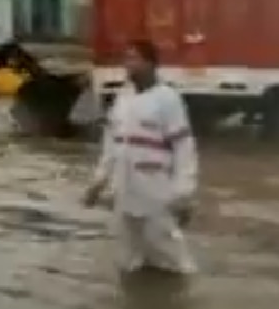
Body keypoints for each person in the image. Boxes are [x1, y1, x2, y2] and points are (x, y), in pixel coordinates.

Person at [83, 39, 200, 275]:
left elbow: (184, 148)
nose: (128, 65)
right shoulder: (123, 98)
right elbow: (111, 144)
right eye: (126, 59)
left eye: (135, 59)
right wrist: (98, 182)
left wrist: (183, 194)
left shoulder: (168, 98)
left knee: (172, 258)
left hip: (156, 191)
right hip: (125, 190)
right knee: (129, 259)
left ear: (151, 64)